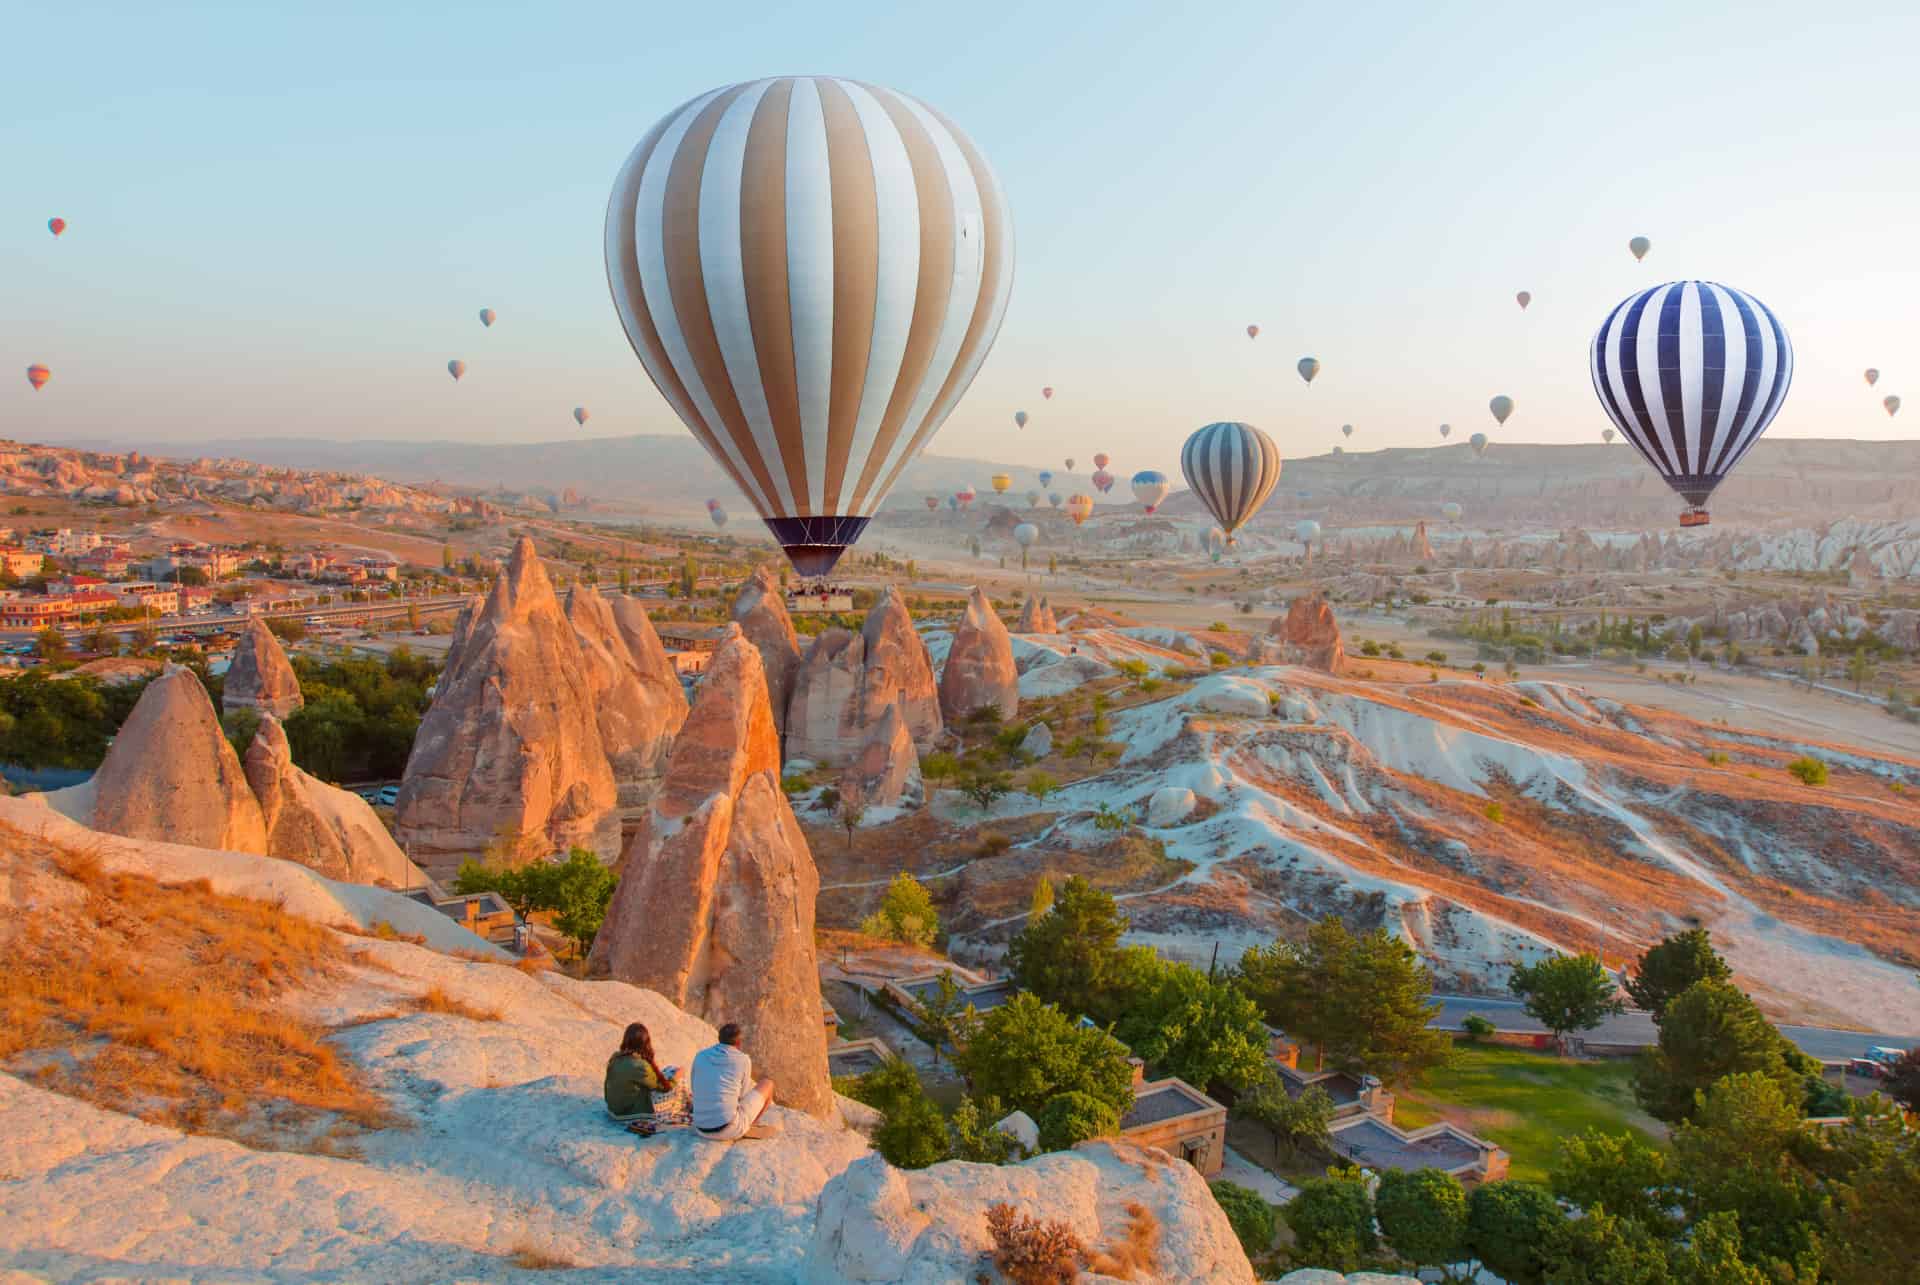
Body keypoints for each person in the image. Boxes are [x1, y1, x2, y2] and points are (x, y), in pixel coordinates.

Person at [690, 1022, 778, 1141]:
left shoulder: (700, 1055)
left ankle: (740, 1124)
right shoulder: (743, 1060)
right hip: (728, 1129)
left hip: (700, 1128)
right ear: (739, 1042)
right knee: (768, 1084)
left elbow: (695, 1088)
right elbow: (742, 1096)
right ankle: (749, 1125)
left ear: (719, 1038)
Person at [604, 1022, 675, 1122]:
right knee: (676, 1079)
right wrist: (677, 1078)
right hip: (626, 1113)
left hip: (612, 1109)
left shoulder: (616, 1057)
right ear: (645, 1043)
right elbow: (663, 1087)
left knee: (666, 1072)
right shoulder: (640, 1065)